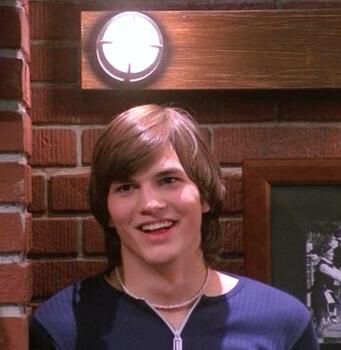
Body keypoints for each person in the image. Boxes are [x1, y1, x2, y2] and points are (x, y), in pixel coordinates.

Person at [30, 104, 319, 349]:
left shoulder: (282, 324)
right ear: (107, 211)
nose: (150, 204)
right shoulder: (61, 327)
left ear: (204, 195)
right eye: (126, 187)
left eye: (168, 180)